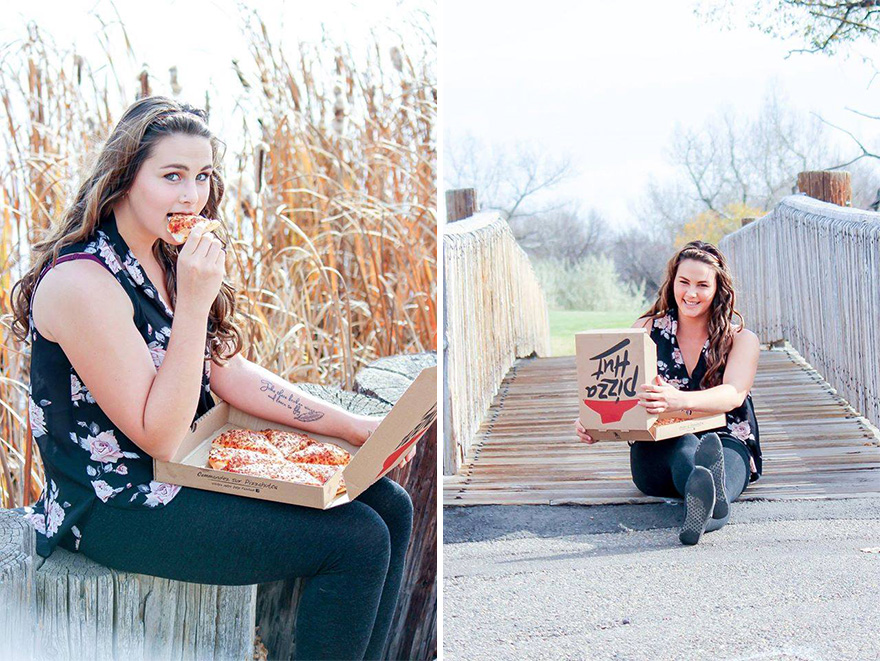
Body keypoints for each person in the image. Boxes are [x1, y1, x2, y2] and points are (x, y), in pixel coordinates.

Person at [11, 96, 415, 660]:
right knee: (356, 540)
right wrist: (196, 303)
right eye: (171, 175)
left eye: (201, 177)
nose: (190, 196)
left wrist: (351, 428)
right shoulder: (82, 282)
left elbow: (226, 371)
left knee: (390, 504)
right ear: (124, 178)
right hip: (114, 505)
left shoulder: (160, 255)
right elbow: (158, 435)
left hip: (179, 476)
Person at [575, 241, 762, 545]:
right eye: (684, 282)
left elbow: (733, 395)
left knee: (721, 457)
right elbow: (621, 389)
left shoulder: (741, 338)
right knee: (685, 447)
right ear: (672, 281)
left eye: (702, 285)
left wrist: (679, 399)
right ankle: (705, 496)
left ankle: (709, 502)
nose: (691, 293)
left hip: (727, 435)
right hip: (661, 442)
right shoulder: (647, 329)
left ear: (718, 288)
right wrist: (595, 423)